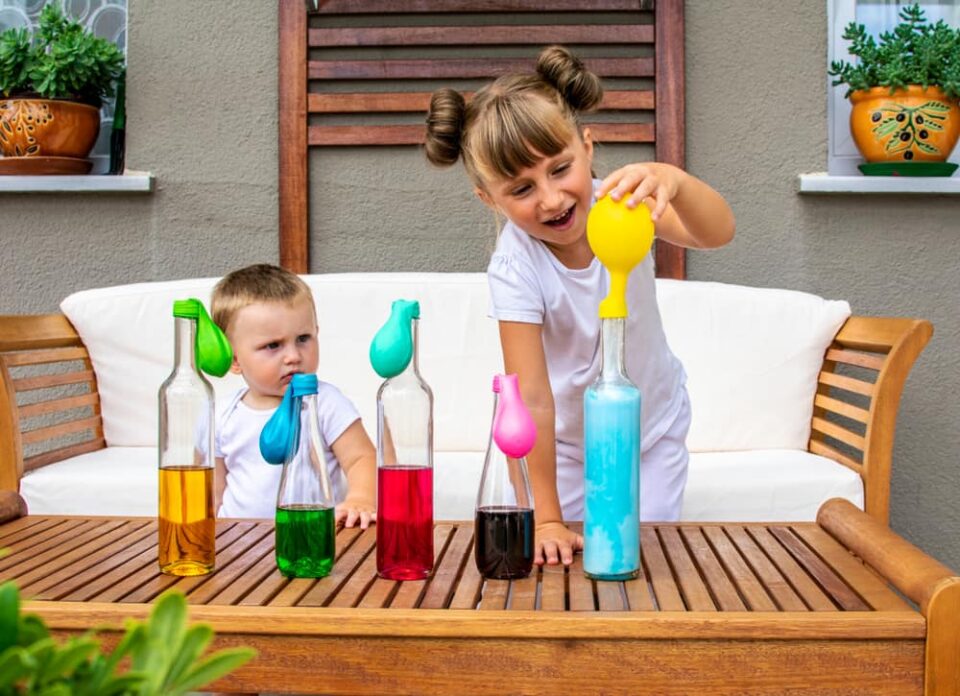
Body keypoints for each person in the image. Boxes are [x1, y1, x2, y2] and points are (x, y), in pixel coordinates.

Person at [424, 45, 735, 567]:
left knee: (638, 563)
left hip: (652, 432)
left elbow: (717, 233)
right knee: (563, 568)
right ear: (488, 199)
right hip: (566, 450)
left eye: (560, 168)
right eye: (521, 188)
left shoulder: (625, 206)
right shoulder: (515, 268)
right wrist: (545, 515)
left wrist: (674, 181)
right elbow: (533, 401)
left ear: (588, 148)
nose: (550, 199)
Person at [211, 263, 376, 527]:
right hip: (238, 544)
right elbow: (215, 490)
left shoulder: (325, 402)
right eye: (273, 345)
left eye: (303, 338)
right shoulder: (222, 414)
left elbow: (362, 458)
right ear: (233, 358)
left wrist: (360, 498)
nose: (293, 356)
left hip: (310, 537)